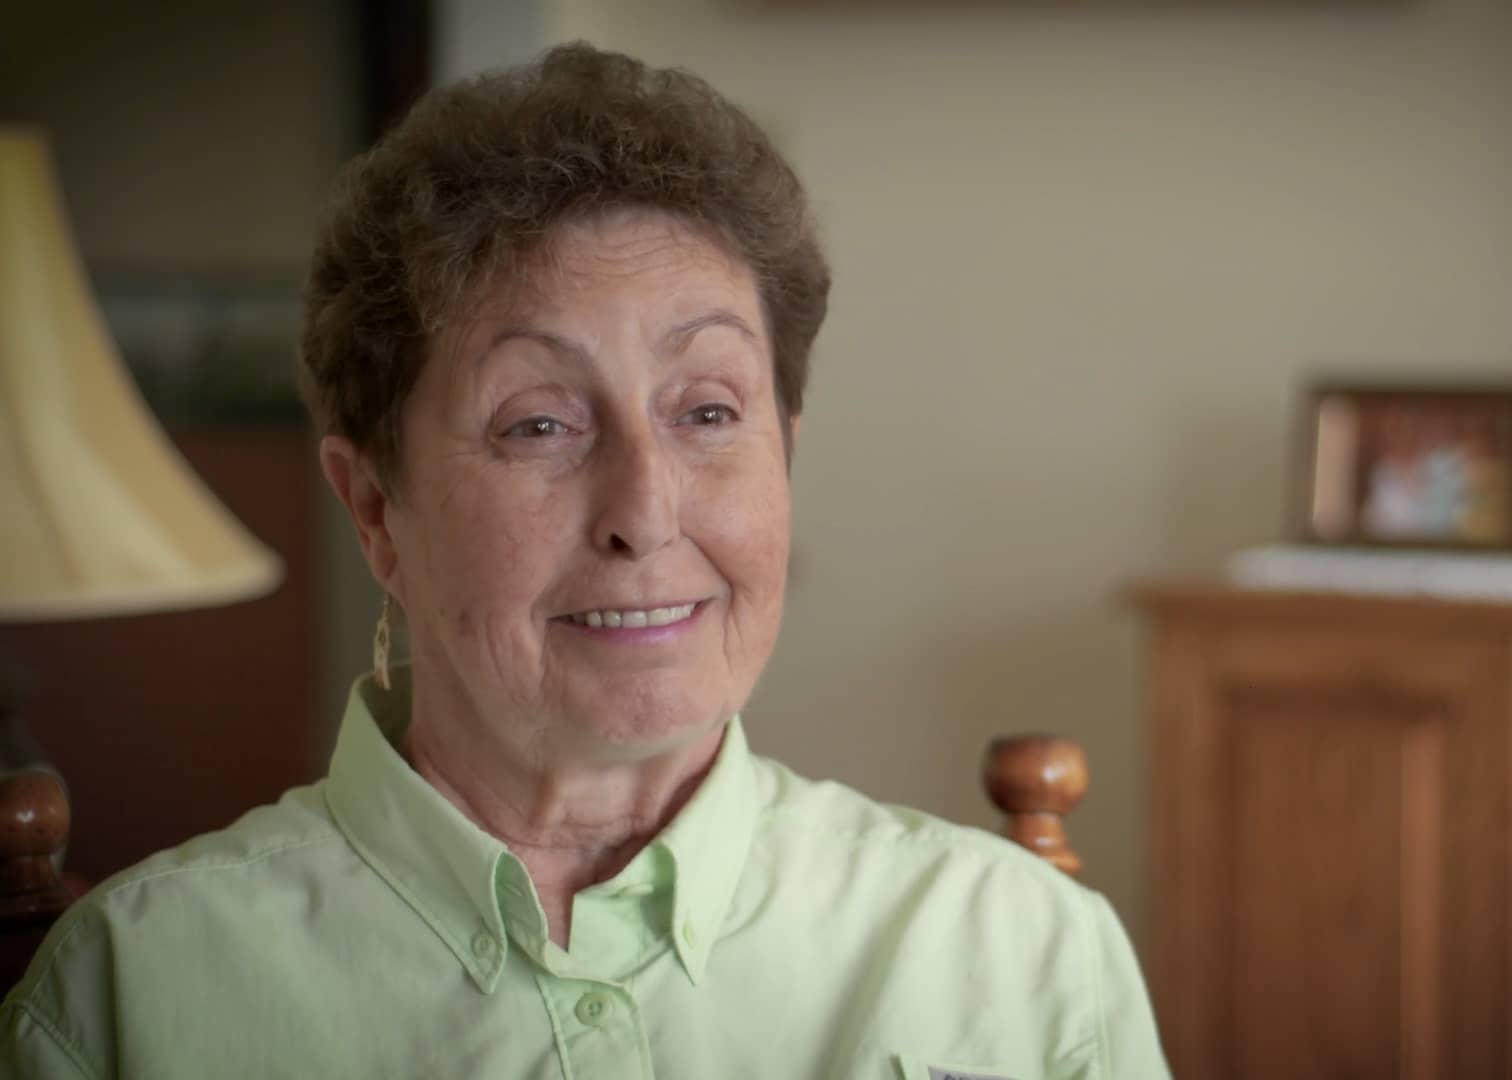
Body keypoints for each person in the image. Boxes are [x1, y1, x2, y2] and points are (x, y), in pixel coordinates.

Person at [0, 44, 1168, 1079]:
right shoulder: (131, 995)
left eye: (707, 412)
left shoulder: (1018, 950)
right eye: (540, 424)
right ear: (374, 508)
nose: (644, 515)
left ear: (785, 454)